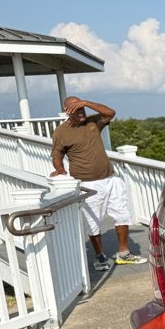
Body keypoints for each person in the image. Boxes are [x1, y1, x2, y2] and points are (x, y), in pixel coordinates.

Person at [50, 96, 147, 270]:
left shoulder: (93, 122)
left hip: (110, 179)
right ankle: (100, 257)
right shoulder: (61, 132)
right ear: (67, 111)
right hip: (88, 184)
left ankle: (124, 253)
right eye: (77, 110)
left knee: (122, 215)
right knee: (93, 223)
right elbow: (57, 155)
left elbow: (110, 113)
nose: (81, 113)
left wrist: (86, 102)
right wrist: (59, 169)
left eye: (82, 110)